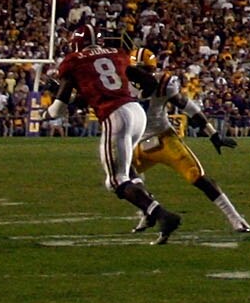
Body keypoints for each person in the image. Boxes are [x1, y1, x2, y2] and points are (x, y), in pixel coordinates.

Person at [46, 13, 181, 242]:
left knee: (116, 180)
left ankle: (161, 215)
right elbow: (149, 82)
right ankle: (148, 210)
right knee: (127, 170)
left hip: (115, 115)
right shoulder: (116, 54)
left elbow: (58, 111)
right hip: (137, 111)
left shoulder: (74, 61)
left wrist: (49, 108)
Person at [126, 30, 250, 233]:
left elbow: (188, 107)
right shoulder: (119, 85)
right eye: (139, 70)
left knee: (197, 176)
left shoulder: (164, 84)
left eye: (146, 70)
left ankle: (235, 218)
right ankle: (148, 211)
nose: (143, 75)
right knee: (123, 176)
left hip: (164, 139)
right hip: (135, 142)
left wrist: (213, 134)